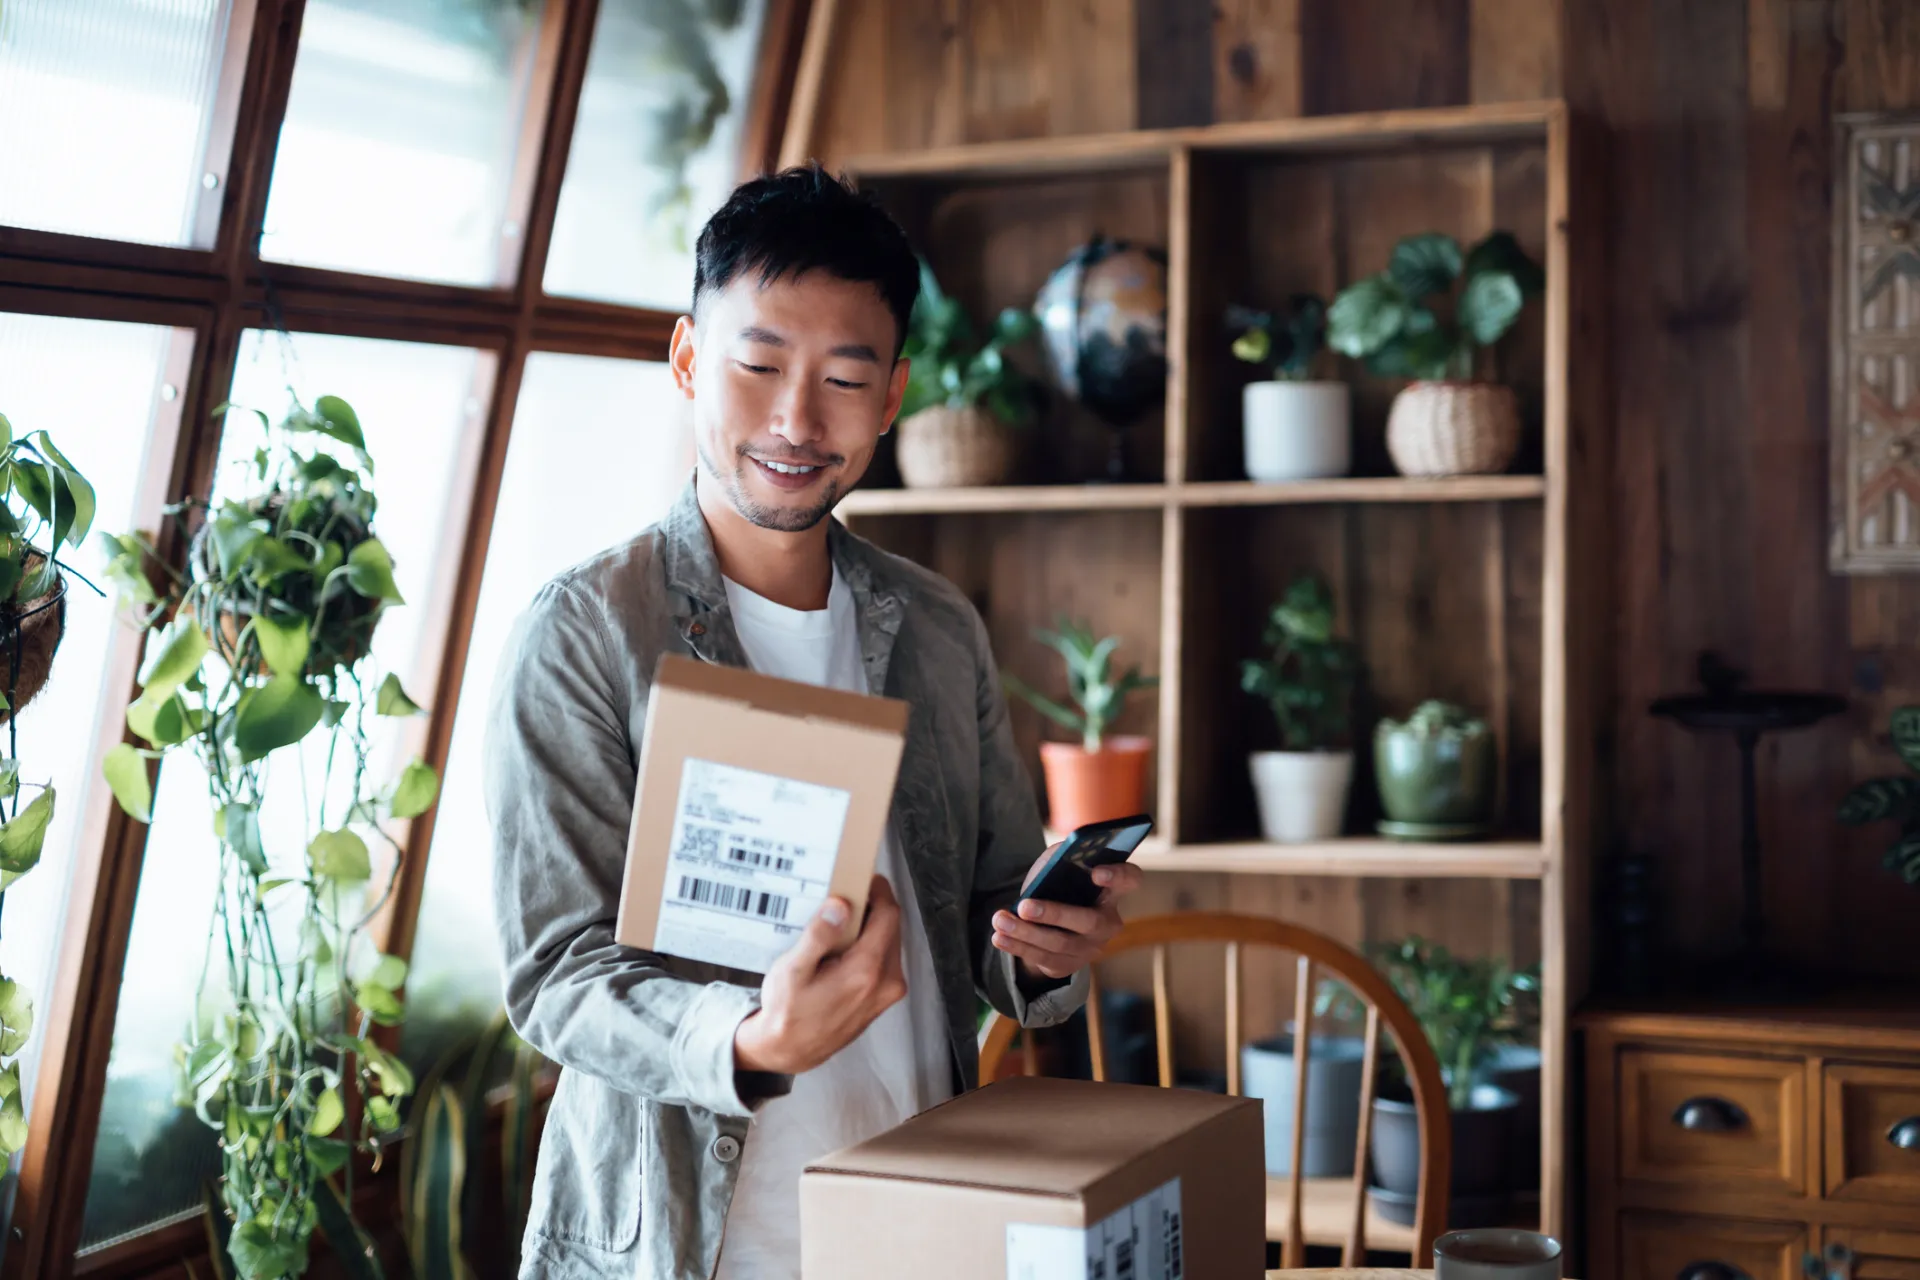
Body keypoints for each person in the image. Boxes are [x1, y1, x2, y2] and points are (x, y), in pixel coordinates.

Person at [486, 165, 1146, 1280]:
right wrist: (748, 1044)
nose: (797, 420)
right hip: (694, 1243)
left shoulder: (937, 627)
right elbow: (555, 972)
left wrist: (1046, 948)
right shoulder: (586, 631)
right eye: (757, 366)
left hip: (920, 1211)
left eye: (845, 379)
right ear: (689, 360)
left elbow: (989, 907)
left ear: (891, 398)